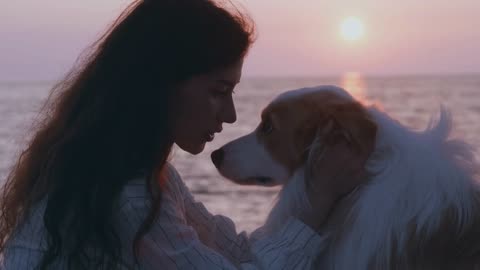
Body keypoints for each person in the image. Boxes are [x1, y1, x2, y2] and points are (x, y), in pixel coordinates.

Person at [0, 0, 372, 269]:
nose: (229, 115)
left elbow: (236, 254)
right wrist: (320, 198)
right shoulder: (126, 195)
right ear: (161, 83)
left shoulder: (138, 176)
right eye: (218, 91)